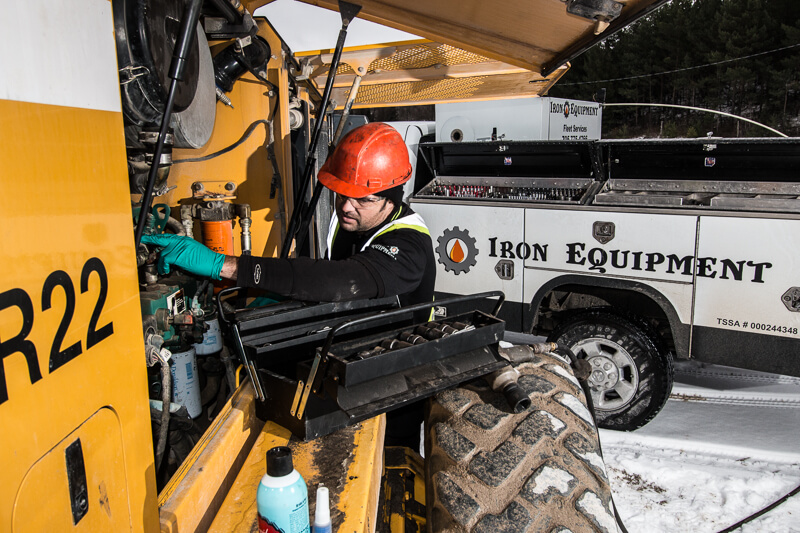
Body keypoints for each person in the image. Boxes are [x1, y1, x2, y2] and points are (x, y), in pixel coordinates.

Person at [141, 122, 436, 314]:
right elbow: (322, 276)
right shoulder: (352, 220)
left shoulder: (409, 247)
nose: (346, 206)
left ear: (391, 199)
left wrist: (222, 265)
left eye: (363, 200)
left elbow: (341, 282)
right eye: (341, 194)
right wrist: (275, 290)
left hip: (401, 359)